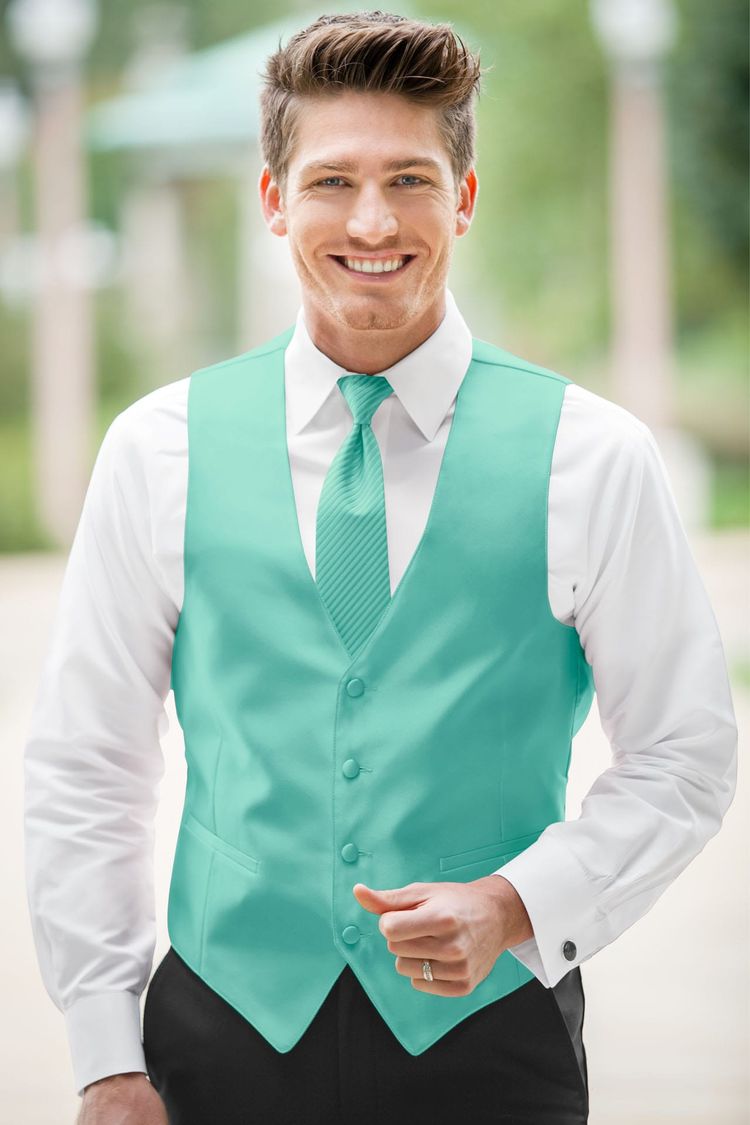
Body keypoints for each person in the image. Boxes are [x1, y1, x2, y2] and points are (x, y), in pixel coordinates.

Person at [23, 11, 738, 1125]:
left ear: (464, 197)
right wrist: (106, 1054)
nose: (371, 220)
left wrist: (516, 904)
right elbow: (87, 765)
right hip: (215, 1037)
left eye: (409, 179)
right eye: (331, 181)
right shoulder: (157, 449)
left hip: (493, 1042)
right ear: (274, 200)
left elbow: (686, 753)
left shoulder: (591, 457)